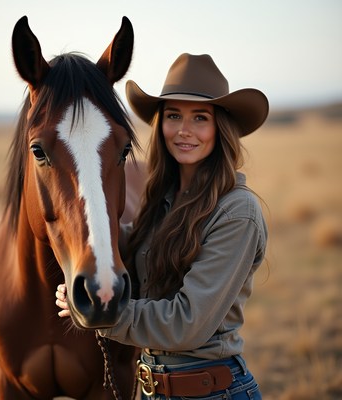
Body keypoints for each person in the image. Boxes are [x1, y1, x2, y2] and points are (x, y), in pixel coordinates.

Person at [56, 53, 269, 399]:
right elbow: (136, 245)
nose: (184, 131)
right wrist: (81, 248)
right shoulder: (164, 199)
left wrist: (102, 314)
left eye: (200, 118)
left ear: (221, 128)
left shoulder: (237, 212)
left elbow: (187, 323)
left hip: (212, 392)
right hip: (152, 389)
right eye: (173, 116)